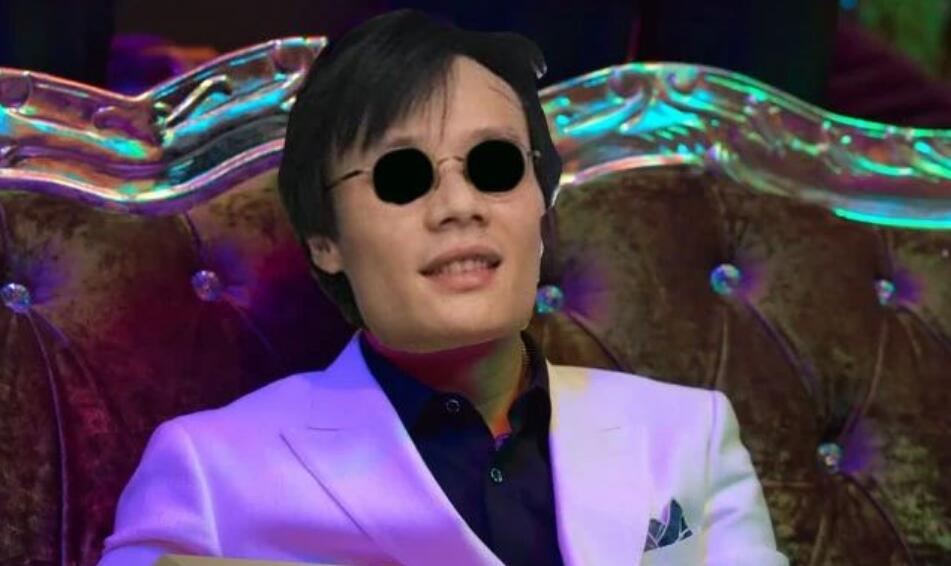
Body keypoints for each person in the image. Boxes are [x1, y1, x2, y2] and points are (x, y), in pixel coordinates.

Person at [99, 9, 787, 566]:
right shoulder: (209, 468)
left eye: (494, 166)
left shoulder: (687, 433)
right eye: (401, 177)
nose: (460, 206)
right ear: (325, 240)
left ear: (540, 205)